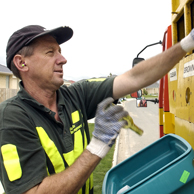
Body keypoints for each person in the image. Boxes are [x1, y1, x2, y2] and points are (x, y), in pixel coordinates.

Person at [0, 24, 193, 194]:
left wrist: (187, 43)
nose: (63, 59)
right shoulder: (12, 117)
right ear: (22, 63)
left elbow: (134, 78)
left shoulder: (76, 95)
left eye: (59, 51)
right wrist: (98, 145)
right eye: (50, 53)